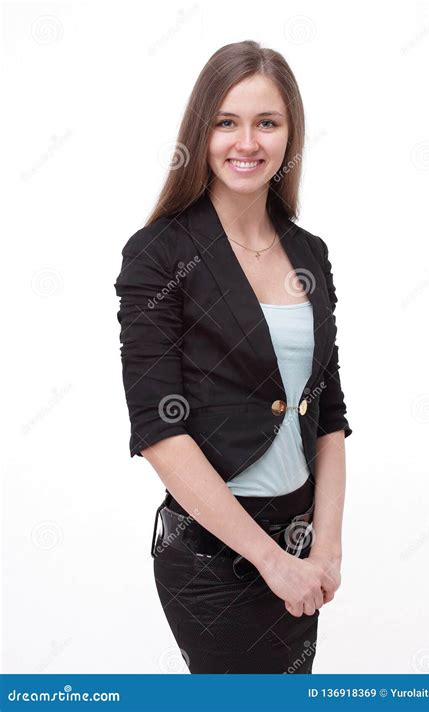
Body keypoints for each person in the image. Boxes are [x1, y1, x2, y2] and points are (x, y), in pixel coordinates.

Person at [114, 40, 352, 674]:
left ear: (288, 135)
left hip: (299, 554)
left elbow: (328, 409)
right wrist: (272, 563)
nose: (246, 141)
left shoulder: (309, 252)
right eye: (227, 122)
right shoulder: (158, 254)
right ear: (201, 132)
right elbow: (159, 430)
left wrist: (323, 548)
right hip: (215, 560)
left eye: (266, 122)